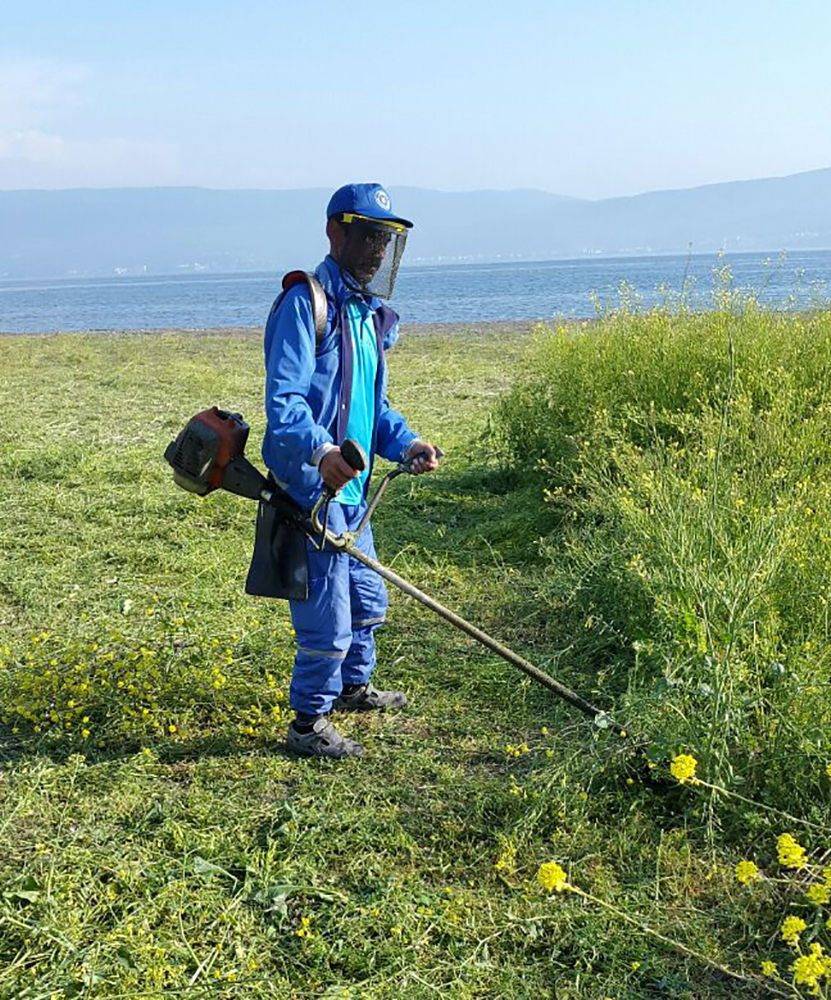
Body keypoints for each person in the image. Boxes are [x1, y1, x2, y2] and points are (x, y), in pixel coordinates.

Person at [261, 183, 439, 759]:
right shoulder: (305, 304)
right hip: (314, 491)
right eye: (365, 235)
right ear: (334, 232)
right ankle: (306, 725)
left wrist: (407, 442)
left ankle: (353, 689)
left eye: (384, 241)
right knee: (327, 619)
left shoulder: (366, 315)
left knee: (367, 600)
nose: (375, 251)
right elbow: (285, 406)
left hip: (355, 491)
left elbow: (373, 409)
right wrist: (322, 453)